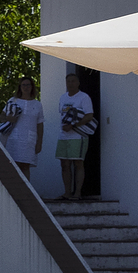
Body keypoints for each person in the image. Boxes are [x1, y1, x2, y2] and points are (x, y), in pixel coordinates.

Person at [57, 69, 97, 199]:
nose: (70, 84)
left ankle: (78, 193)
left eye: (73, 81)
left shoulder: (83, 97)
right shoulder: (63, 97)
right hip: (63, 136)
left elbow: (89, 116)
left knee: (77, 163)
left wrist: (73, 126)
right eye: (68, 81)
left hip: (78, 136)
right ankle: (67, 193)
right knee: (64, 164)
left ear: (78, 83)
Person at [0, 75, 43, 182]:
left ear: (32, 87)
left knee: (25, 166)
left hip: (29, 140)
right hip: (14, 139)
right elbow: (1, 117)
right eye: (23, 85)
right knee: (13, 165)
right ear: (20, 87)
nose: (26, 87)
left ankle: (27, 191)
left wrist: (39, 142)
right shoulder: (13, 101)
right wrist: (9, 118)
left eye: (28, 85)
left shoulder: (37, 104)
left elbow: (40, 124)